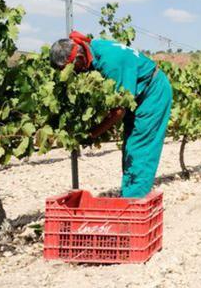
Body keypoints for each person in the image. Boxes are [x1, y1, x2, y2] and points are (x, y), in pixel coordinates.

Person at [49, 31, 172, 198]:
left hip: (152, 93)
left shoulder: (111, 63)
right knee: (130, 148)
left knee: (139, 149)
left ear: (78, 59)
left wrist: (92, 134)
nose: (72, 74)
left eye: (69, 69)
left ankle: (133, 205)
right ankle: (131, 196)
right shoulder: (93, 48)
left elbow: (118, 111)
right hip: (137, 93)